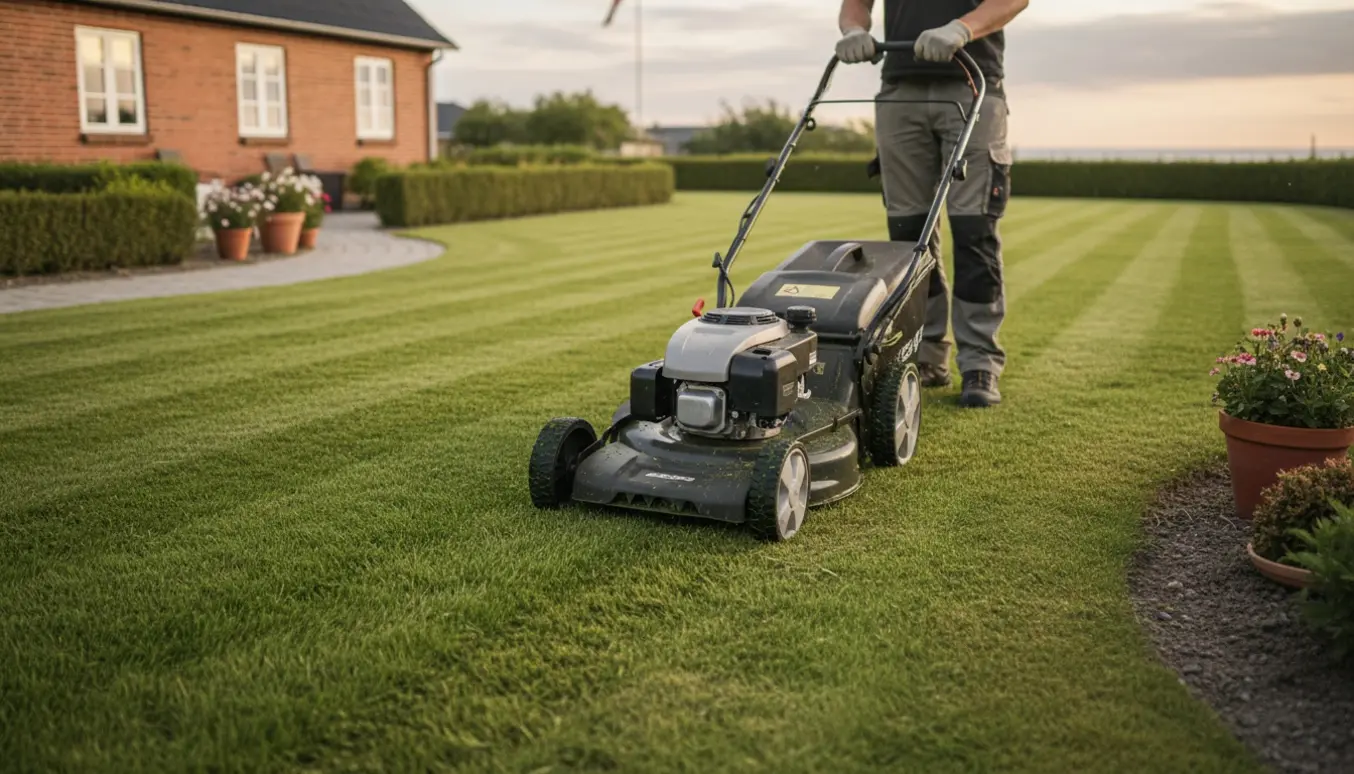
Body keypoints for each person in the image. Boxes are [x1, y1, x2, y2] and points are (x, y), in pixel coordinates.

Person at [836, 0, 1028, 408]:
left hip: (971, 82)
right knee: (909, 239)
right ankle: (925, 355)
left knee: (974, 230)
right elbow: (856, 5)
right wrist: (853, 31)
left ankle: (980, 363)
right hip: (899, 90)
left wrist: (961, 29)